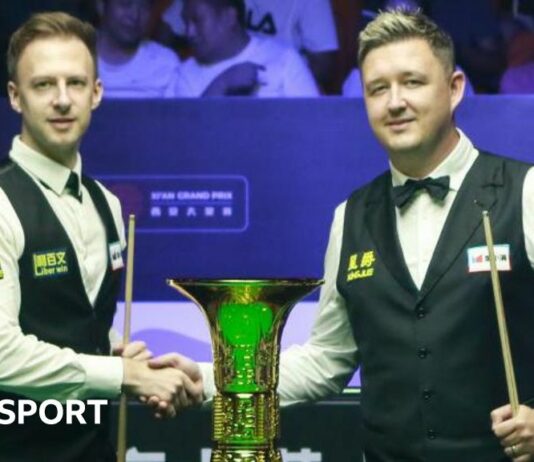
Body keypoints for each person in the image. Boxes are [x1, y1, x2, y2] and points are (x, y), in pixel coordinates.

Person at [168, 9, 534, 461]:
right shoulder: (351, 216)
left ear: (454, 88)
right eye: (378, 89)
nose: (395, 102)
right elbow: (326, 358)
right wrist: (208, 379)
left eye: (413, 82)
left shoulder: (525, 192)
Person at [0, 12, 202, 462]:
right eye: (43, 85)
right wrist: (121, 374)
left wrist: (119, 353)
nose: (62, 100)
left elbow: (70, 318)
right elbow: (2, 353)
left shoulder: (107, 204)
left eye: (75, 83)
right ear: (15, 97)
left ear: (97, 93)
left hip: (92, 448)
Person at [159, 0, 338, 88]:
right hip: (208, 74)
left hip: (276, 88)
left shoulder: (287, 63)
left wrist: (274, 79)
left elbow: (325, 66)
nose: (190, 31)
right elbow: (163, 37)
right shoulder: (187, 75)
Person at [96, 0, 181, 98]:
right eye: (126, 4)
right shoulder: (76, 58)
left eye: (144, 7)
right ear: (101, 6)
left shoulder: (165, 64)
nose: (135, 15)